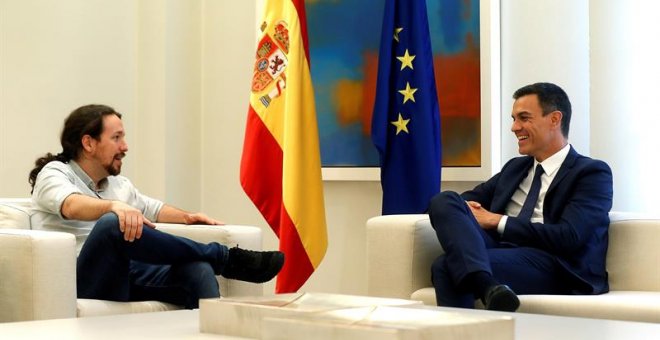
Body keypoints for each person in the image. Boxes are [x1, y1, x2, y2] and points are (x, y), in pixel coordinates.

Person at [29, 104, 284, 309]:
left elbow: (153, 209)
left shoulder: (118, 185)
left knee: (197, 270)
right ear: (88, 143)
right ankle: (225, 257)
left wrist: (188, 217)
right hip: (83, 279)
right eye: (116, 138)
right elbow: (71, 205)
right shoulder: (54, 174)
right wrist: (114, 207)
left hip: (127, 274)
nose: (125, 147)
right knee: (112, 224)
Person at [428, 82, 613, 312]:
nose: (514, 127)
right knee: (444, 200)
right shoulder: (515, 168)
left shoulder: (591, 173)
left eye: (523, 118)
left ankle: (484, 287)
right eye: (513, 119)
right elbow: (465, 202)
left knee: (445, 266)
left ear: (555, 119)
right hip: (503, 252)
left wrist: (498, 221)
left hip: (555, 263)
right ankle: (488, 286)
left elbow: (570, 237)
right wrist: (465, 211)